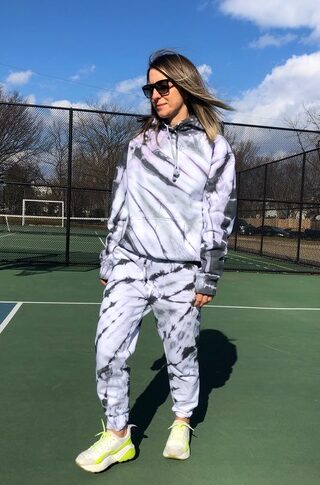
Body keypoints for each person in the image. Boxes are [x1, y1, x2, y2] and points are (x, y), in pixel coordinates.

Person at [75, 49, 236, 473]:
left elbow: (218, 215)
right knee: (107, 350)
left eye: (163, 86)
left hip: (181, 271)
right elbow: (120, 204)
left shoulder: (215, 148)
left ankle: (181, 421)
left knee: (180, 354)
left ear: (184, 85)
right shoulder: (138, 144)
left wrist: (208, 277)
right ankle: (117, 436)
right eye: (149, 88)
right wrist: (110, 261)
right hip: (130, 263)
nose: (154, 95)